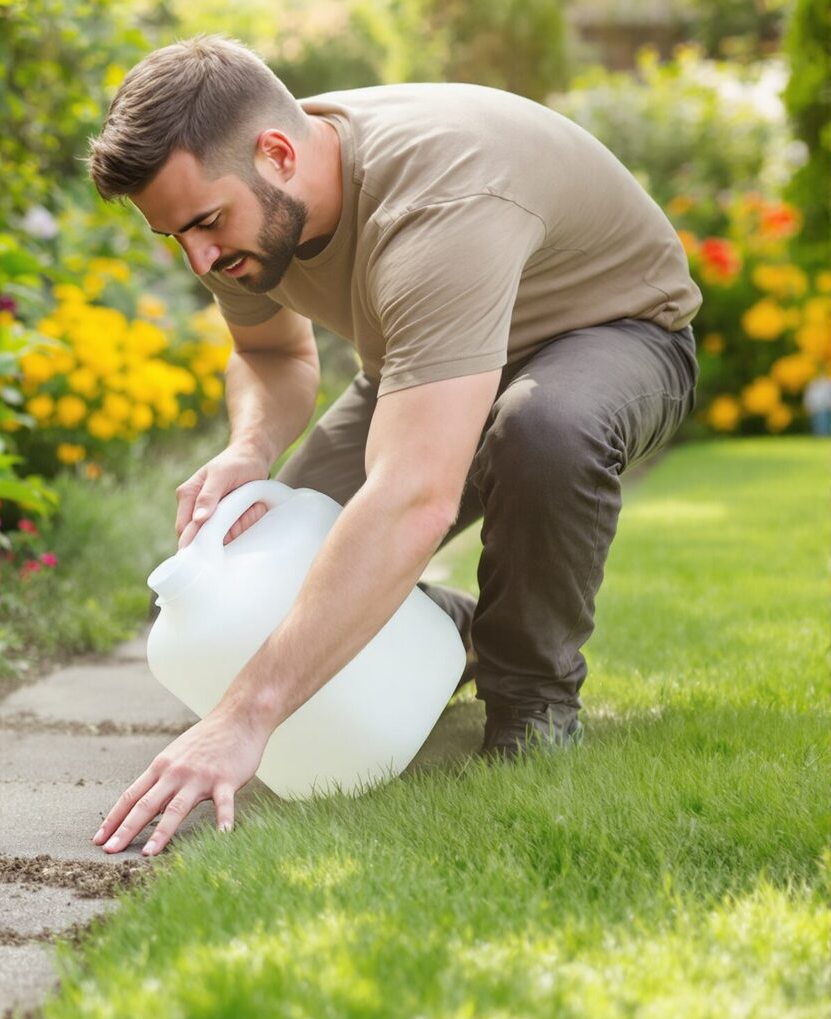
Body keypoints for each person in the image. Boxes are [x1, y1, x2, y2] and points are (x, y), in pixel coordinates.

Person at [85, 37, 701, 856]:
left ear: (277, 153)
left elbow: (414, 495)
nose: (201, 259)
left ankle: (532, 703)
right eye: (177, 239)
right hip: (426, 358)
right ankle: (455, 633)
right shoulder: (244, 196)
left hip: (613, 336)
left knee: (542, 431)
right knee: (279, 561)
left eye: (205, 225)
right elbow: (273, 355)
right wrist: (250, 447)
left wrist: (244, 716)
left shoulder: (438, 201)